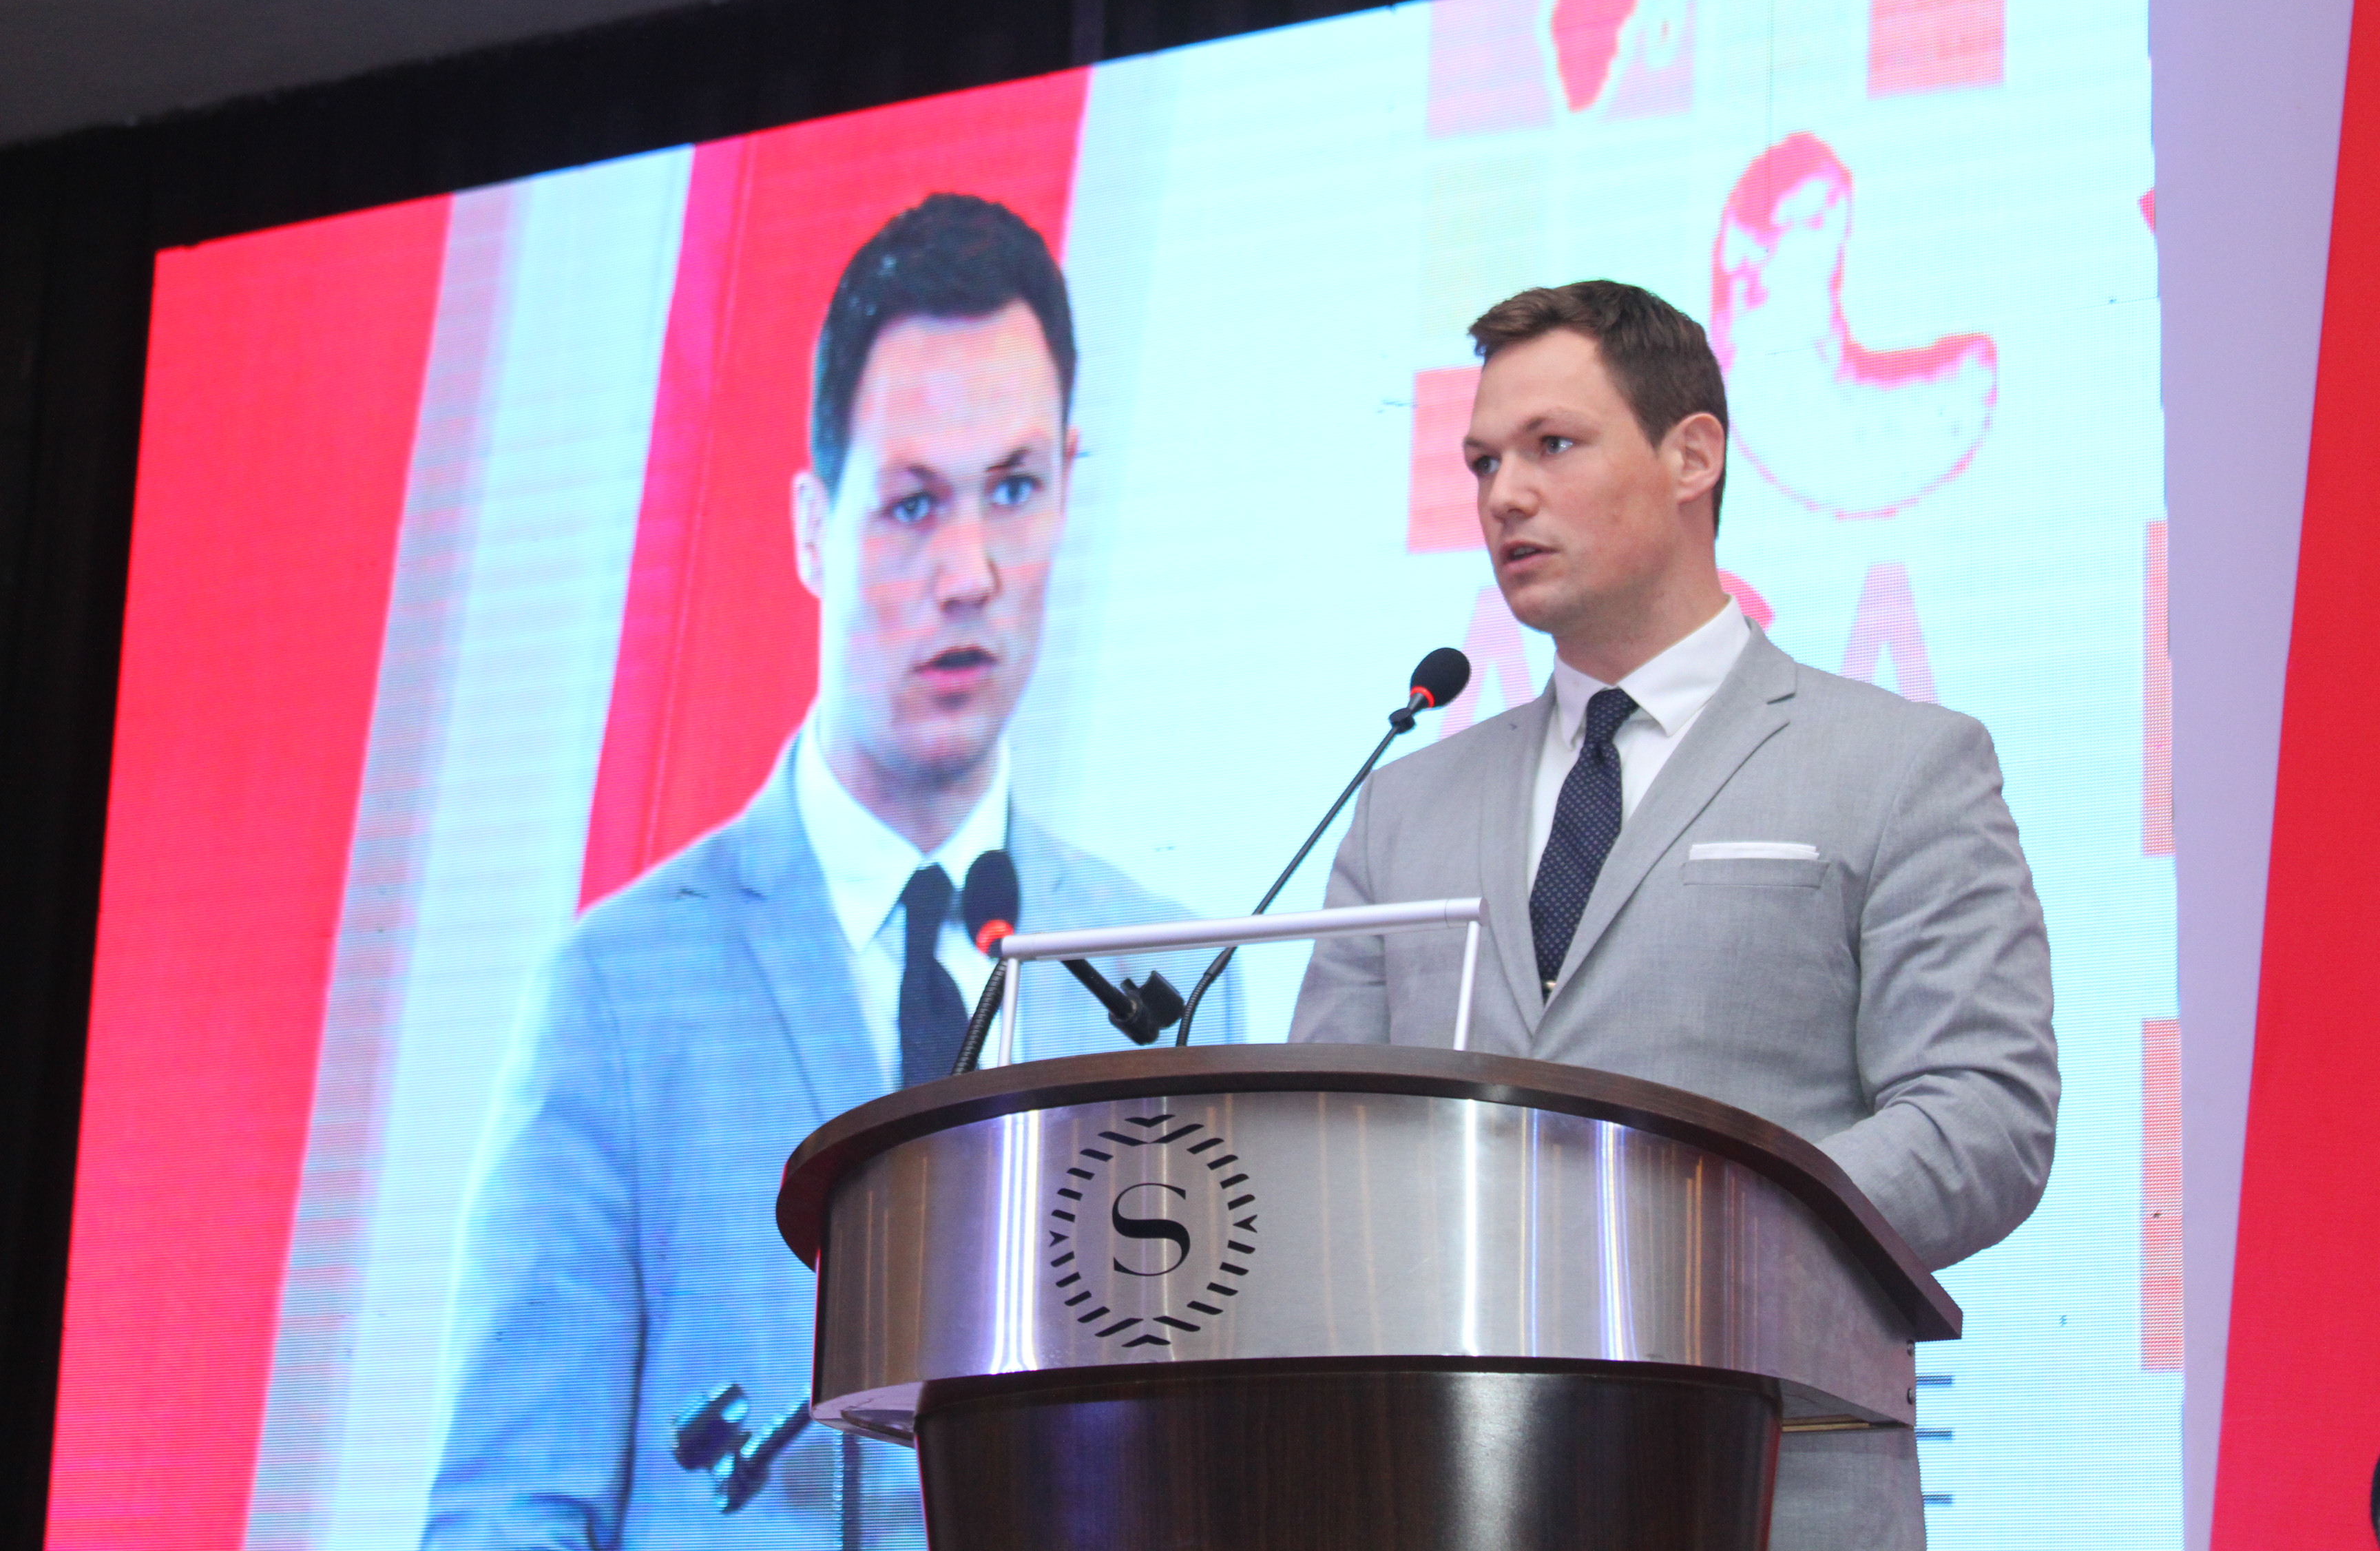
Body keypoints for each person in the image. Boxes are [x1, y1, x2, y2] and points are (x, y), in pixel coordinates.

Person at [425, 194, 1234, 1550]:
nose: (969, 573)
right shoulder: (617, 993)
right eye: (912, 504)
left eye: (1015, 490)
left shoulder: (1168, 982)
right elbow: (509, 1514)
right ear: (812, 527)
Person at [1291, 280, 2056, 1550]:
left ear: (1693, 455)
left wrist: (1687, 1240)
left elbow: (1984, 1116)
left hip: (1767, 1484)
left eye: (1553, 445)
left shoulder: (1899, 764)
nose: (1504, 496)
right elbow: (1323, 1146)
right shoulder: (1404, 807)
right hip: (1437, 1488)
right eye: (1484, 461)